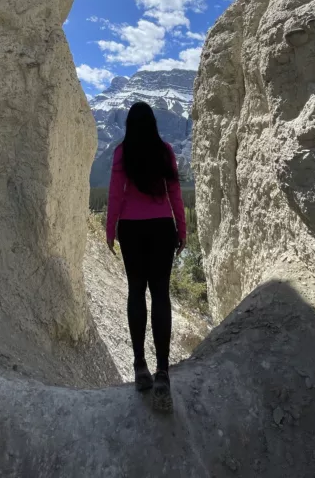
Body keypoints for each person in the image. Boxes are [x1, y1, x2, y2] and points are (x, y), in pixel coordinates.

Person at [106, 101, 186, 412]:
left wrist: (110, 229)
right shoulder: (165, 150)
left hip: (131, 230)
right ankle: (163, 371)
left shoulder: (121, 152)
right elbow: (174, 193)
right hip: (162, 228)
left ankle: (140, 365)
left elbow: (115, 192)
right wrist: (182, 229)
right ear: (153, 123)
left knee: (136, 292)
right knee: (161, 295)